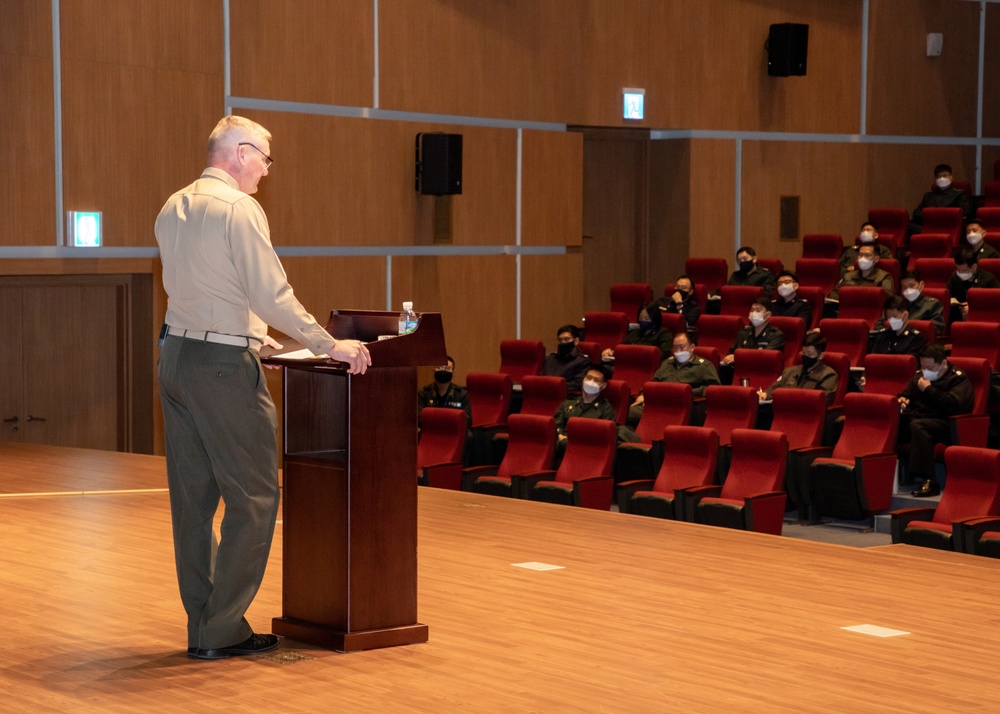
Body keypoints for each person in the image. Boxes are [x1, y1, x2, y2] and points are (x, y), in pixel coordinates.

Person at [155, 115, 371, 660]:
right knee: (254, 497)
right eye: (266, 161)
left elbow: (211, 289)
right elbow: (270, 293)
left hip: (177, 358)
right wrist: (329, 344)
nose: (266, 173)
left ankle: (203, 624)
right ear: (242, 154)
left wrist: (259, 341)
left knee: (193, 500)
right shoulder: (238, 208)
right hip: (222, 370)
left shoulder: (173, 205)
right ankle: (222, 628)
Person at [897, 344, 974, 497]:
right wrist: (903, 400)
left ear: (943, 364)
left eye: (930, 368)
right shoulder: (920, 376)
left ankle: (930, 481)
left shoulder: (957, 378)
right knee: (893, 421)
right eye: (923, 367)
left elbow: (955, 405)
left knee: (919, 426)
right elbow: (907, 395)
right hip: (920, 418)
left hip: (946, 424)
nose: (926, 371)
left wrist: (929, 390)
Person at [625, 332, 721, 427]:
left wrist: (689, 392)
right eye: (675, 347)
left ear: (692, 347)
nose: (678, 351)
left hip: (680, 408)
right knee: (624, 413)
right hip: (658, 404)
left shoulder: (704, 366)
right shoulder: (667, 363)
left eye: (682, 347)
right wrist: (643, 394)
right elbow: (653, 382)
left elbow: (714, 389)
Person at [553, 365, 618, 458]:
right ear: (583, 379)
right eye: (589, 378)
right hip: (561, 447)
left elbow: (602, 438)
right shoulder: (567, 403)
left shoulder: (606, 409)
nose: (591, 382)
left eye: (596, 380)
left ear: (603, 386)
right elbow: (557, 424)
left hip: (586, 451)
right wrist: (560, 436)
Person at [759, 333, 838, 405]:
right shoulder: (790, 371)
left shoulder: (828, 375)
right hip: (783, 412)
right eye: (803, 353)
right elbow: (774, 389)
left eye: (809, 354)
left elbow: (821, 400)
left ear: (820, 356)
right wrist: (764, 395)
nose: (805, 356)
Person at [720, 297, 785, 376]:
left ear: (768, 315)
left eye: (758, 310)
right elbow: (731, 354)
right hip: (741, 372)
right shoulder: (743, 333)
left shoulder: (776, 335)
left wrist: (738, 358)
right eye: (752, 310)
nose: (754, 313)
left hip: (763, 374)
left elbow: (765, 358)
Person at [909, 163, 971, 235]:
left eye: (945, 175)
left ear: (951, 177)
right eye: (939, 176)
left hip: (947, 227)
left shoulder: (959, 195)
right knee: (908, 225)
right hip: (929, 226)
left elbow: (962, 213)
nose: (942, 178)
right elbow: (916, 213)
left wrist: (934, 213)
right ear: (935, 180)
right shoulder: (929, 196)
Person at [880, 270, 943, 335]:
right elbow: (880, 324)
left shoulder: (933, 304)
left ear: (921, 285)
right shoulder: (897, 303)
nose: (908, 290)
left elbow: (934, 330)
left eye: (911, 286)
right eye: (904, 287)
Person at [946, 247, 1000, 322]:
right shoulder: (955, 277)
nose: (960, 273)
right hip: (959, 316)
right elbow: (947, 295)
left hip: (982, 317)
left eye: (964, 270)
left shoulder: (989, 279)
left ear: (974, 267)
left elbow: (995, 304)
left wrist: (973, 308)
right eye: (958, 270)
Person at [603, 303, 672, 361]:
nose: (643, 321)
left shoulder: (664, 334)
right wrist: (611, 351)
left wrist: (639, 352)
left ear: (655, 319)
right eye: (641, 318)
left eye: (646, 318)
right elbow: (622, 346)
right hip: (626, 363)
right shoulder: (634, 332)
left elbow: (662, 354)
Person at [828, 243, 893, 301]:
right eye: (860, 255)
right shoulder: (848, 276)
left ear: (876, 259)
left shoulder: (885, 277)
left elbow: (888, 298)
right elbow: (833, 294)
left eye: (867, 255)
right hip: (848, 309)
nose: (862, 258)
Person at [417, 355, 471, 424]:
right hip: (431, 431)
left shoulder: (462, 394)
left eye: (447, 368)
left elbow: (467, 419)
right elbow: (419, 418)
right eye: (439, 367)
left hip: (453, 432)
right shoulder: (423, 393)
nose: (443, 371)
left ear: (453, 372)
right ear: (434, 370)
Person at [541, 324, 592, 397]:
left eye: (566, 339)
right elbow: (541, 377)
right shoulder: (549, 359)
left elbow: (577, 384)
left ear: (576, 341)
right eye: (560, 340)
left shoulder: (583, 361)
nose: (563, 342)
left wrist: (554, 386)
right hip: (543, 395)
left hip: (566, 397)